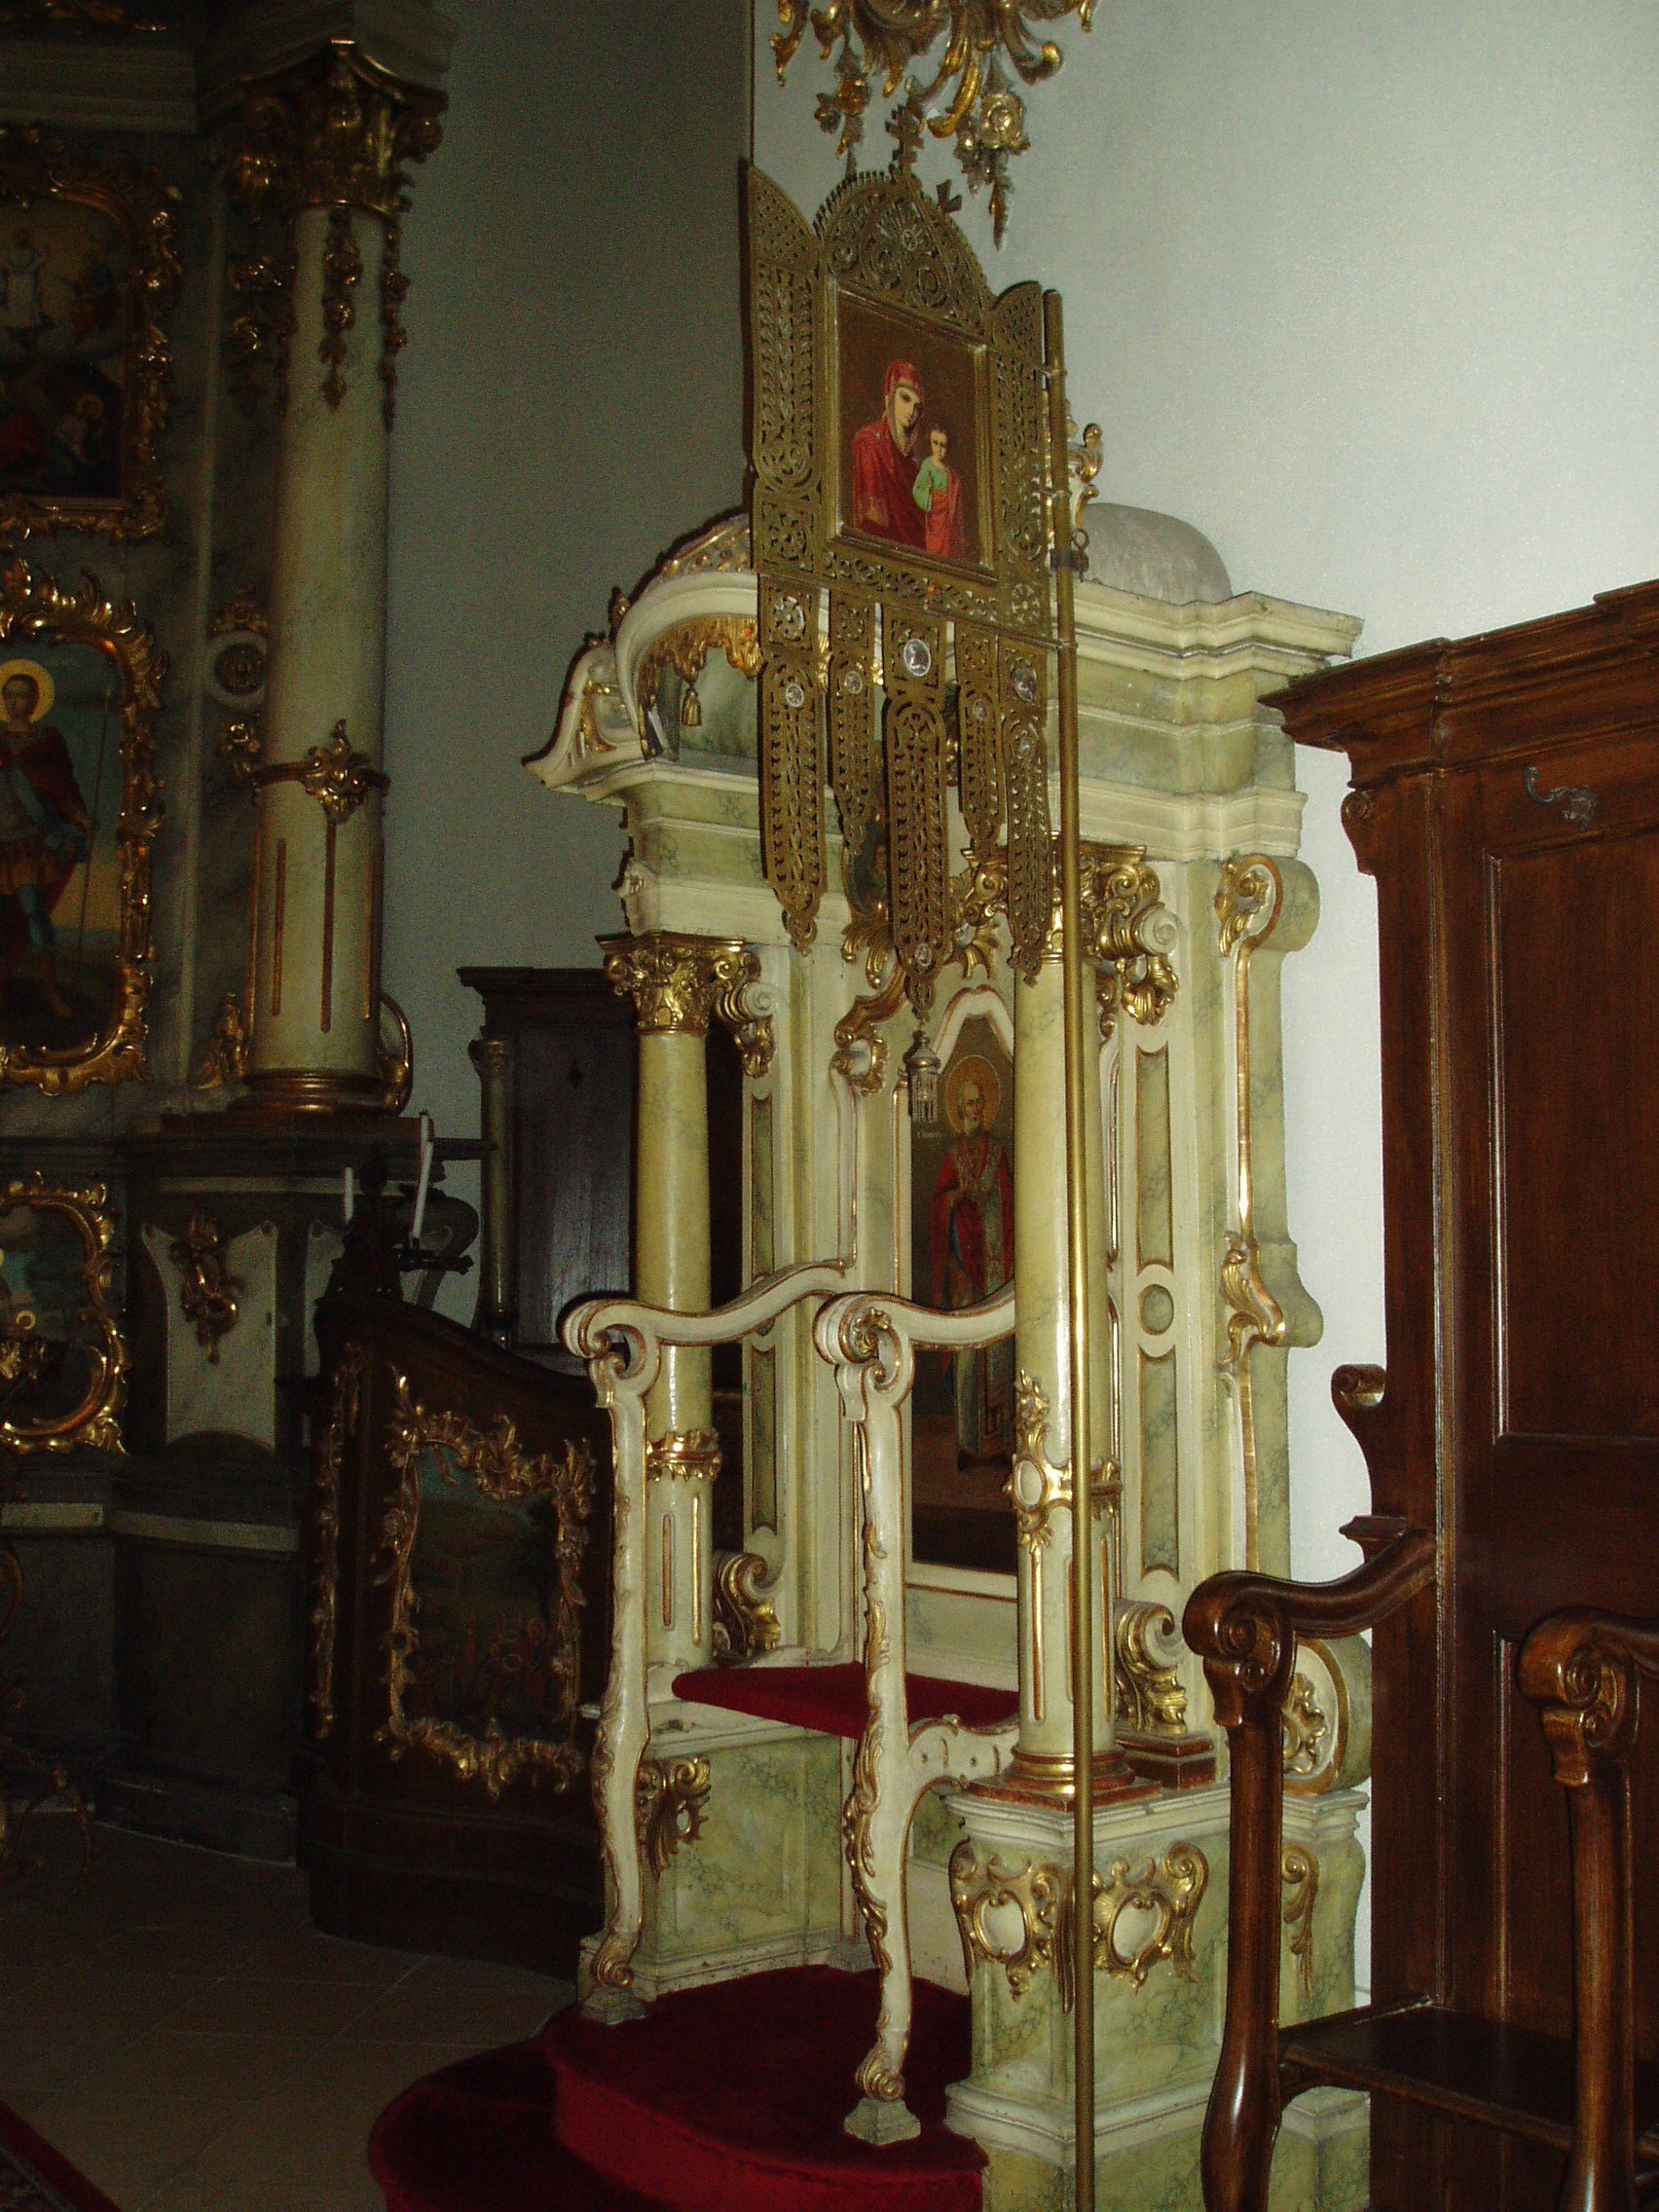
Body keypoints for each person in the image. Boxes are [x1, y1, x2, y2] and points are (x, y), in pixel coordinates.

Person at [930, 1054, 1014, 1460]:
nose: (975, 1109)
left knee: (998, 1351)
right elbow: (938, 1207)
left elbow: (1010, 1211)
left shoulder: (997, 1155)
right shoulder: (952, 1158)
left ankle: (998, 1442)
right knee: (967, 1355)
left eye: (979, 1102)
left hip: (995, 1268)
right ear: (959, 1110)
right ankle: (967, 1442)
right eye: (968, 1104)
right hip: (963, 1268)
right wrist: (956, 1197)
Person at [0, 666, 92, 1022]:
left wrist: (81, 817)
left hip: (27, 844)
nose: (15, 702)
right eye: (9, 695)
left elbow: (62, 789)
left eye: (21, 695)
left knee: (34, 918)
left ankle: (50, 990)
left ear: (35, 701)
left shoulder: (46, 743)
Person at [850, 359, 928, 550]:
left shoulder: (913, 465)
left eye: (917, 407)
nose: (911, 411)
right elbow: (871, 521)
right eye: (905, 399)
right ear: (890, 396)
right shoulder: (870, 443)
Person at [912, 423, 966, 562]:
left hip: (947, 520)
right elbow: (918, 489)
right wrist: (931, 498)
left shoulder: (951, 474)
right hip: (934, 518)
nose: (939, 449)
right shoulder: (927, 465)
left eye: (943, 445)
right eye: (935, 443)